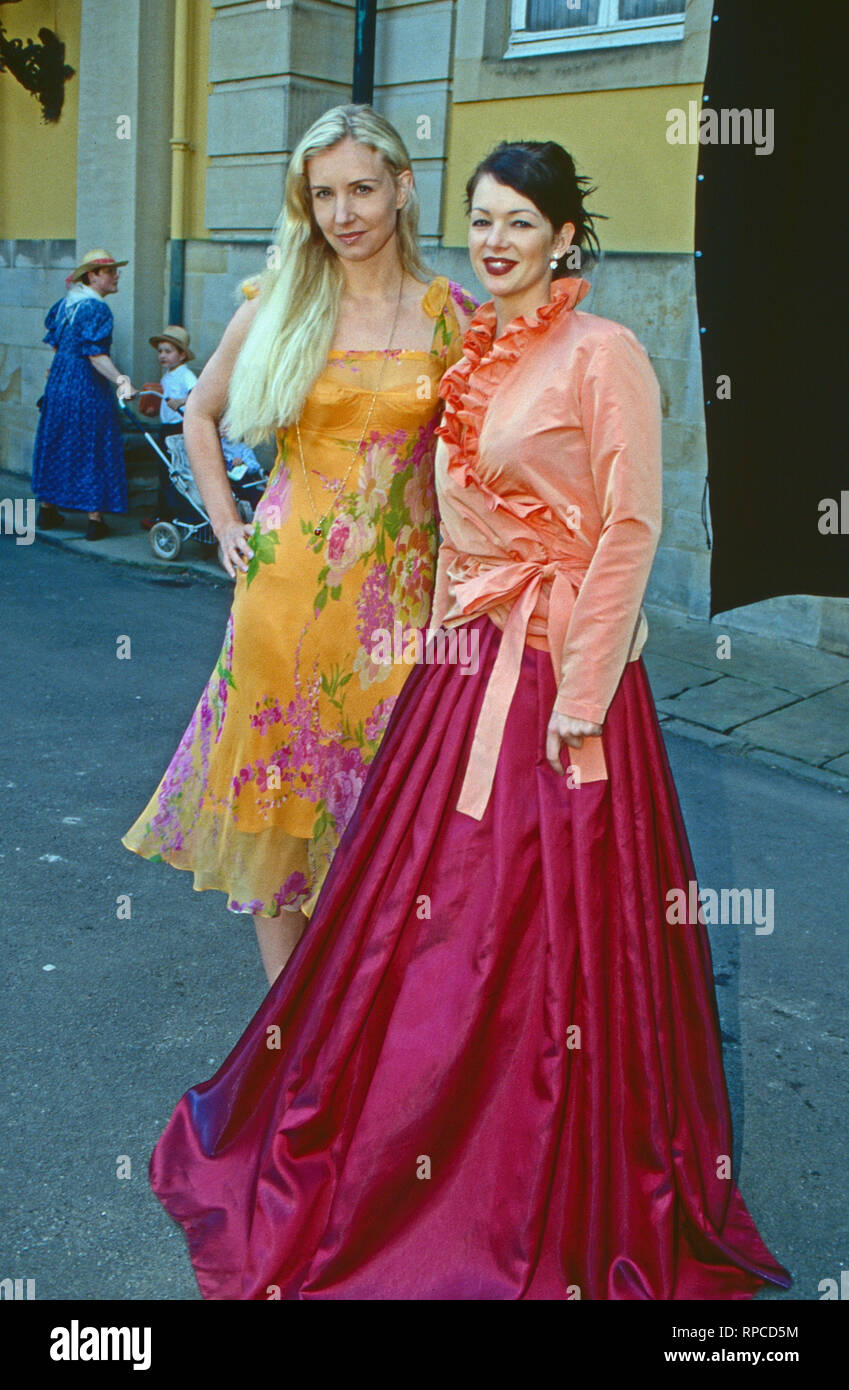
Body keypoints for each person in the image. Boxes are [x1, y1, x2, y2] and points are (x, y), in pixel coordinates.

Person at [148, 140, 792, 1301]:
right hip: (456, 663)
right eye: (483, 220)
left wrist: (583, 696)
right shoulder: (481, 346)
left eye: (519, 223)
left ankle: (537, 1166)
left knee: (555, 933)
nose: (496, 240)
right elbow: (456, 528)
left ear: (563, 237)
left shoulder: (603, 353)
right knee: (428, 926)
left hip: (562, 685)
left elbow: (629, 530)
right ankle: (406, 1124)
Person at [122, 105, 477, 984]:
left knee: (383, 818)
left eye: (361, 188)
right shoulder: (280, 304)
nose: (343, 213)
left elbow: (477, 468)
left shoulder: (453, 317)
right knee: (281, 805)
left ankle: (365, 1015)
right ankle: (288, 1024)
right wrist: (226, 523)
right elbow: (197, 413)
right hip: (283, 600)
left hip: (401, 616)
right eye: (322, 194)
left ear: (402, 188)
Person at [31, 248, 136, 541]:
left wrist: (61, 369)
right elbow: (96, 356)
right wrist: (122, 381)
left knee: (58, 441)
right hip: (85, 386)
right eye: (111, 272)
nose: (117, 277)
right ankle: (94, 519)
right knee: (91, 444)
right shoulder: (97, 309)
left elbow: (56, 343)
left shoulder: (66, 305)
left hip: (60, 383)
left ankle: (48, 509)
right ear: (93, 276)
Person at [138, 325, 199, 530]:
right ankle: (164, 514)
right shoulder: (168, 375)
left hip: (178, 429)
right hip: (167, 428)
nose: (162, 356)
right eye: (160, 351)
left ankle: (173, 514)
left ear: (182, 355)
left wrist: (182, 401)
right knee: (165, 471)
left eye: (168, 351)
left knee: (174, 472)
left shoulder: (185, 374)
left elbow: (197, 395)